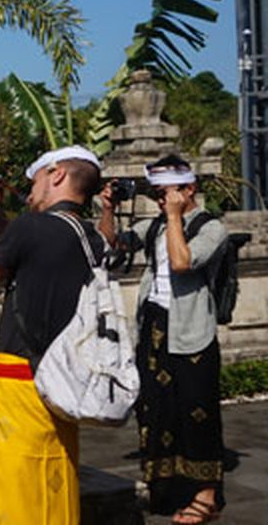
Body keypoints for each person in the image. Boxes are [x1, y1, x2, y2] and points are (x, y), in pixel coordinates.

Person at [0, 145, 105, 525]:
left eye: (35, 180)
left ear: (56, 175)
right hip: (60, 389)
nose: (31, 191)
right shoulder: (92, 238)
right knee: (49, 493)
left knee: (6, 498)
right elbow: (28, 251)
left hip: (14, 395)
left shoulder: (30, 229)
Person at [98, 156, 226, 524]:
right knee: (155, 407)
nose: (160, 201)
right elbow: (113, 245)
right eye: (156, 194)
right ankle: (164, 486)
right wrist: (109, 209)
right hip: (155, 323)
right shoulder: (154, 224)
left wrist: (173, 217)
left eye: (166, 193)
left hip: (192, 330)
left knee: (196, 411)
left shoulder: (210, 227)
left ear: (189, 189)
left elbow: (183, 261)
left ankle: (206, 495)